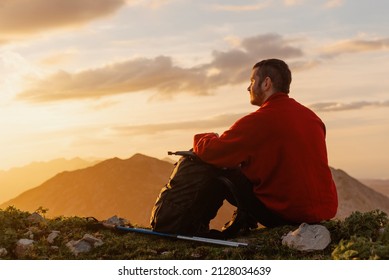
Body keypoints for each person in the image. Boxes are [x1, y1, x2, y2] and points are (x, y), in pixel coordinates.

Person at [193, 58, 338, 235]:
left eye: (252, 81)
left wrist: (207, 137)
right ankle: (243, 220)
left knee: (219, 168)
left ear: (266, 83)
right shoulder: (312, 117)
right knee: (244, 161)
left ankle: (193, 228)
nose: (248, 88)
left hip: (286, 215)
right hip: (321, 214)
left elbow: (213, 152)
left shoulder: (259, 121)